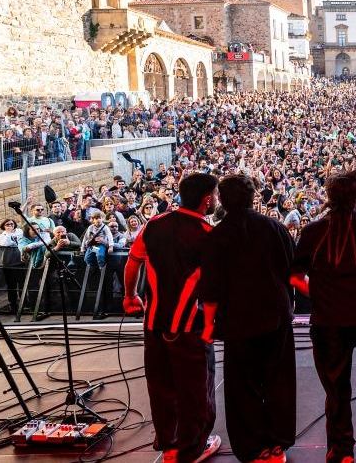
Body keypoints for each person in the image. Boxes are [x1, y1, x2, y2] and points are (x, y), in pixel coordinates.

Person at [291, 170, 356, 463]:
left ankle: (341, 450)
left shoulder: (313, 231)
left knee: (336, 387)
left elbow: (296, 275)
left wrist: (318, 293)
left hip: (328, 320)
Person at [123, 172, 221, 463]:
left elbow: (133, 261)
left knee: (162, 387)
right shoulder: (208, 234)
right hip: (191, 326)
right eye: (215, 195)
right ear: (207, 199)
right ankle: (193, 448)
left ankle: (170, 445)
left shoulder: (154, 224)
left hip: (153, 324)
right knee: (195, 390)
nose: (216, 199)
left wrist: (130, 295)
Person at [201, 175, 297, 463]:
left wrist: (208, 326)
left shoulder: (217, 235)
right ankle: (278, 445)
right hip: (275, 315)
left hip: (237, 320)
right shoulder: (275, 227)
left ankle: (252, 448)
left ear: (222, 200)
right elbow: (292, 271)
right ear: (253, 197)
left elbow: (211, 288)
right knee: (278, 380)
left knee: (242, 386)